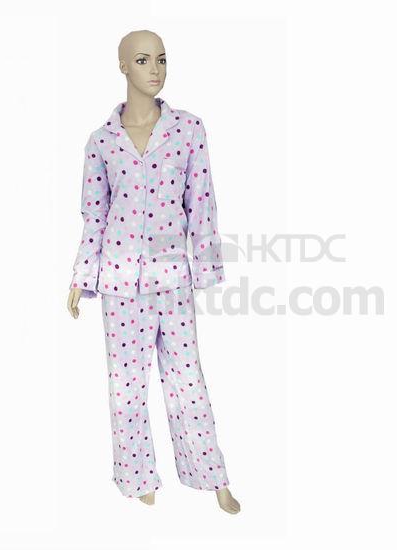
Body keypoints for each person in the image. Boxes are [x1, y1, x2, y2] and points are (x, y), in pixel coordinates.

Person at [67, 29, 240, 514]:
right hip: (119, 281)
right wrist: (82, 275)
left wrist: (207, 268)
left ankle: (213, 478)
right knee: (126, 385)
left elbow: (202, 202)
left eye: (161, 59)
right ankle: (137, 476)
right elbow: (94, 215)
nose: (155, 69)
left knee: (187, 379)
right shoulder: (101, 142)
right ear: (123, 66)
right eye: (143, 60)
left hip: (172, 279)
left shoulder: (188, 130)